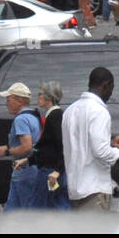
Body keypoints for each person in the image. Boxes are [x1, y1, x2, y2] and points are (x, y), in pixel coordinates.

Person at [62, 67, 119, 211]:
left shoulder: (70, 110)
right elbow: (101, 152)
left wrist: (111, 143)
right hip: (94, 189)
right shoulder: (99, 111)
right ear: (105, 85)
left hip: (74, 188)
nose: (111, 94)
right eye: (112, 88)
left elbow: (79, 143)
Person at [15, 82, 69, 210]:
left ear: (48, 97)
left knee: (36, 208)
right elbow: (48, 148)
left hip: (50, 171)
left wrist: (58, 171)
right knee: (57, 206)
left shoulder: (54, 117)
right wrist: (28, 160)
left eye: (40, 94)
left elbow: (62, 146)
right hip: (52, 170)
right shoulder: (52, 115)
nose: (37, 97)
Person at [0, 82, 43, 210]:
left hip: (25, 174)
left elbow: (26, 146)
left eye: (8, 99)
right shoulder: (33, 116)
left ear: (19, 101)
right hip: (26, 174)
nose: (6, 103)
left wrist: (7, 151)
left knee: (28, 216)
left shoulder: (21, 120)